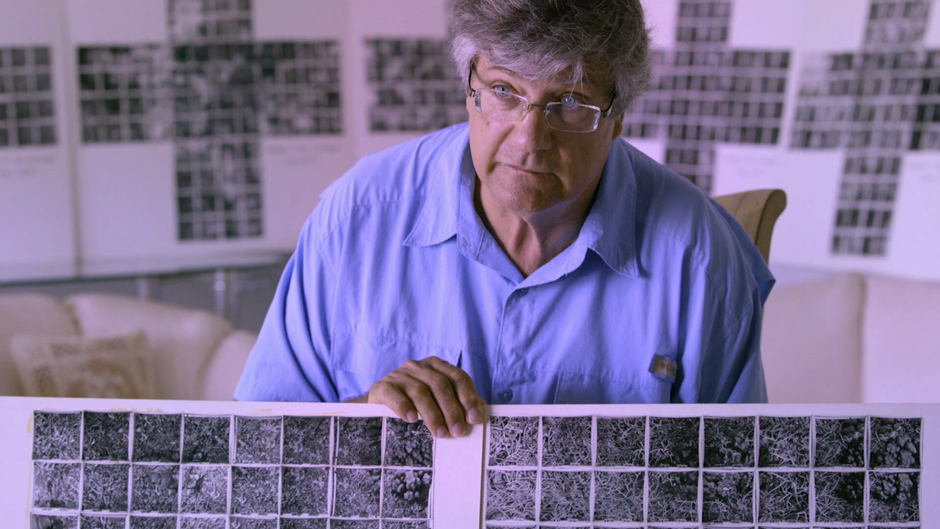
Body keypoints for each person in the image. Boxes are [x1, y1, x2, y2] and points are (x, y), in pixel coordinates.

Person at [235, 0, 774, 439]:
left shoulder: (701, 257)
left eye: (570, 102)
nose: (528, 141)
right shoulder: (354, 218)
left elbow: (735, 490)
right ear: (469, 87)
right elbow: (256, 457)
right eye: (503, 92)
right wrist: (364, 420)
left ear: (617, 119)